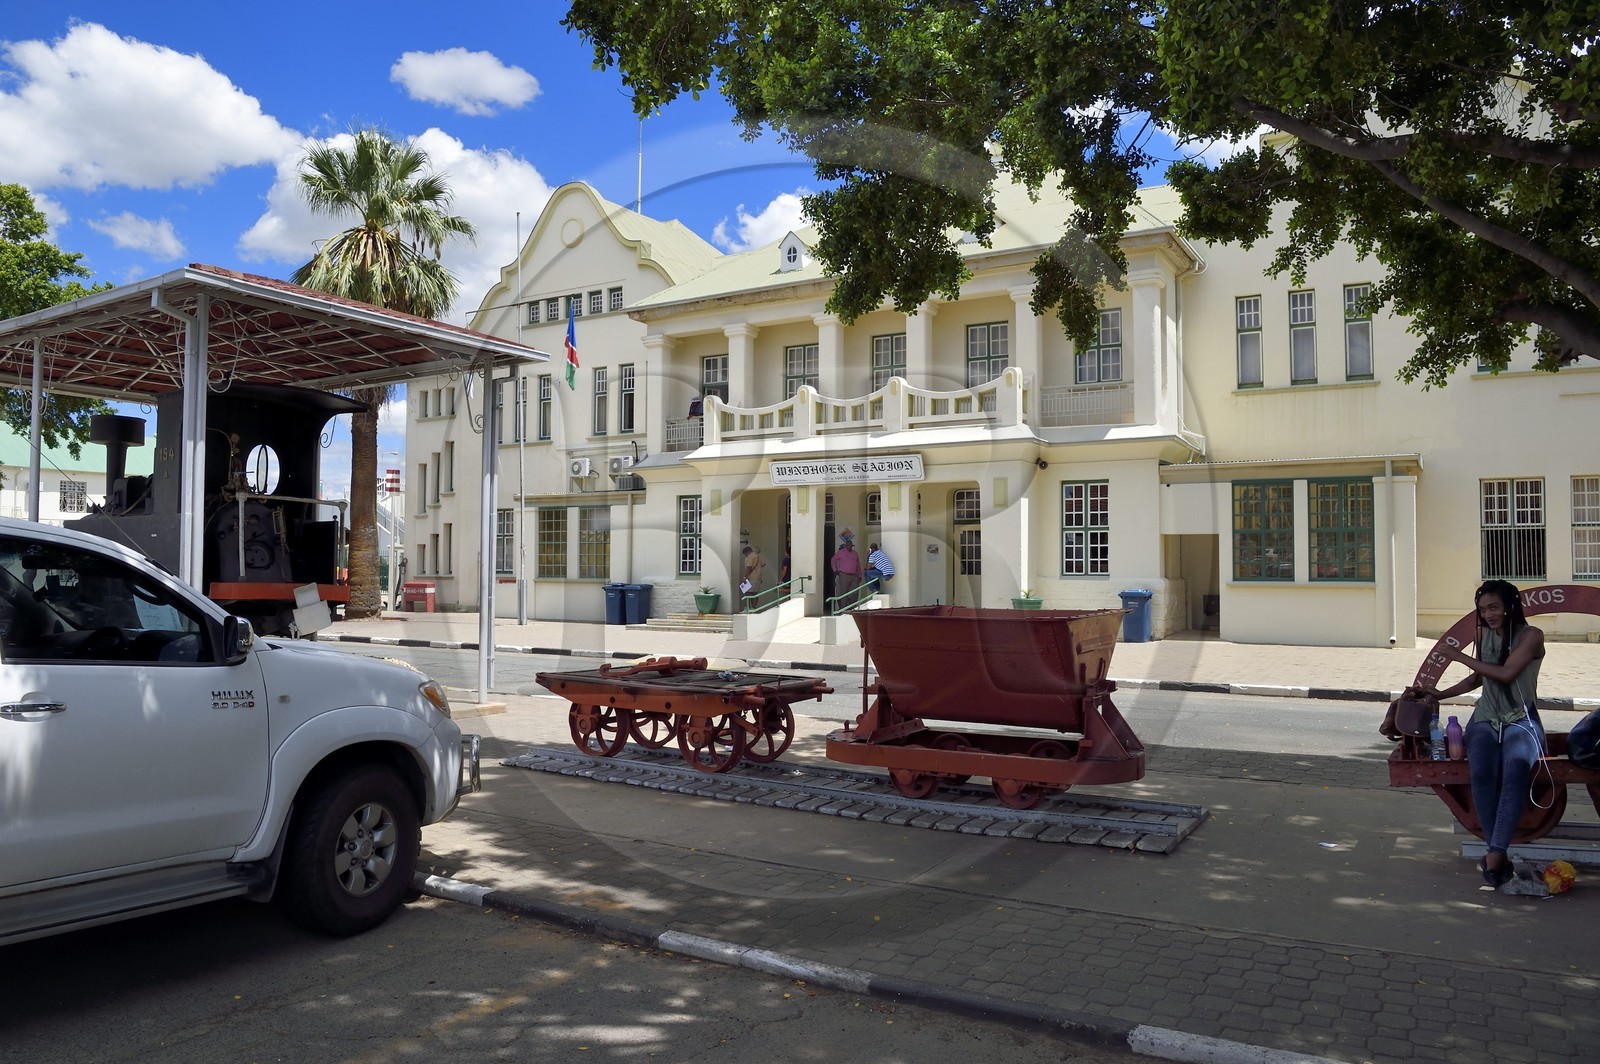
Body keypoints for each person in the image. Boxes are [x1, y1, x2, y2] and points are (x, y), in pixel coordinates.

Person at [1423, 579, 1547, 888]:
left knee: (1515, 772)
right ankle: (1496, 852)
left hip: (1521, 719)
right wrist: (1439, 694)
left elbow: (1505, 674)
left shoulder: (1531, 636)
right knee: (1480, 773)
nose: (1488, 614)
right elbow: (1477, 679)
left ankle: (1494, 855)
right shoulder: (1484, 636)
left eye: (1493, 607)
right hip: (1485, 718)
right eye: (1482, 609)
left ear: (1510, 605)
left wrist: (1459, 656)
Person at [830, 532, 862, 600]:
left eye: (851, 545)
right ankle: (844, 609)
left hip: (854, 575)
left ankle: (853, 608)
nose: (849, 546)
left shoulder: (855, 553)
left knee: (855, 592)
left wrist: (860, 575)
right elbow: (833, 560)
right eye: (848, 545)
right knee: (844, 593)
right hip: (844, 575)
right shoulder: (841, 552)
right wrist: (835, 570)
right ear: (845, 545)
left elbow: (858, 564)